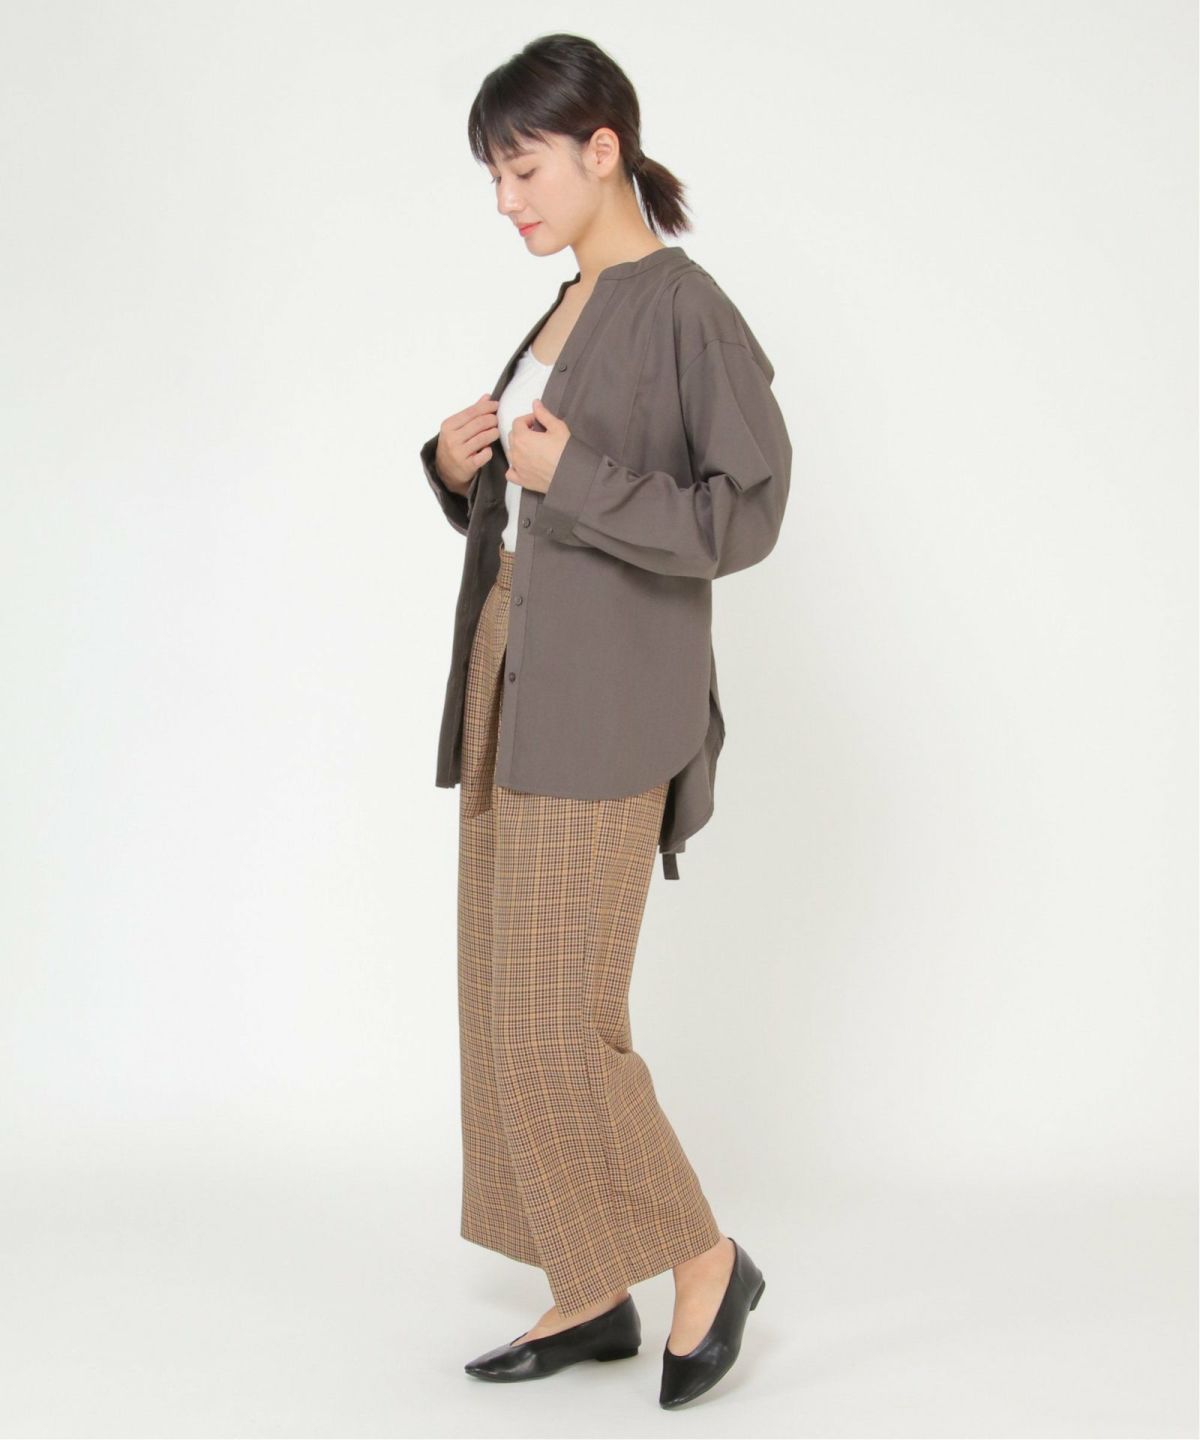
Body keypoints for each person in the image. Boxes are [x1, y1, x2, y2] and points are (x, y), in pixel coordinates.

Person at [420, 33, 790, 1409]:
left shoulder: (683, 306)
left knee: (557, 1019)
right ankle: (587, 1287)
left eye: (523, 169)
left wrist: (572, 475)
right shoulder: (564, 306)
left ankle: (705, 1262)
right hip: (513, 671)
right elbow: (539, 504)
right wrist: (457, 470)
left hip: (609, 697)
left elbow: (743, 516)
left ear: (601, 149)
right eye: (492, 175)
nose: (505, 199)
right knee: (502, 999)